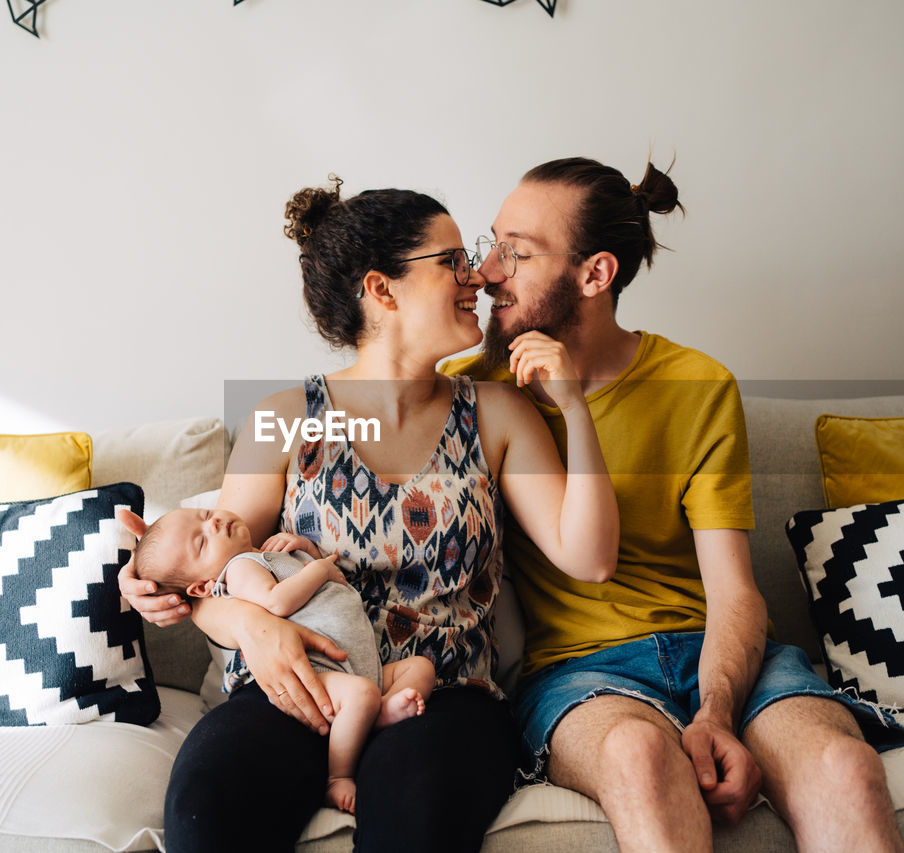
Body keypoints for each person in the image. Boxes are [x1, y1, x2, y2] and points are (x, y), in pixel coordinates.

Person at [120, 175, 620, 852]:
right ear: (382, 290)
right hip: (293, 686)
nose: (475, 275)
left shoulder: (500, 414)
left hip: (442, 695)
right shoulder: (281, 420)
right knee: (208, 812)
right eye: (451, 262)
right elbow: (217, 576)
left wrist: (574, 409)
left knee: (414, 822)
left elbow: (589, 556)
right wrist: (250, 628)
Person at [439, 156, 904, 852]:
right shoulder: (472, 390)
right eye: (492, 243)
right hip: (581, 670)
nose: (486, 270)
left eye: (517, 251)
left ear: (595, 274)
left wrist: (717, 710)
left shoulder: (696, 384)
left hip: (721, 654)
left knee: (843, 764)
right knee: (639, 755)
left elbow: (735, 591)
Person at [117, 505, 435, 814]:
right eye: (201, 542)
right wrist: (319, 567)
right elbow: (276, 601)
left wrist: (303, 549)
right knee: (362, 693)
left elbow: (303, 584)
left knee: (420, 668)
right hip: (321, 670)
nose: (212, 523)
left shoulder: (265, 554)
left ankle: (377, 713)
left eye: (205, 514)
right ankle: (339, 776)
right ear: (202, 586)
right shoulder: (238, 569)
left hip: (362, 662)